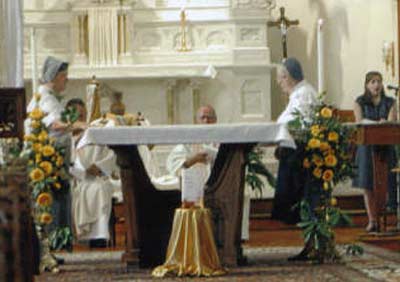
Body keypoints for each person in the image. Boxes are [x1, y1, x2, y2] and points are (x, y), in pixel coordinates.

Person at [26, 56, 86, 244]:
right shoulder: (46, 97)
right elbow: (55, 124)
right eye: (64, 76)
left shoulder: (47, 96)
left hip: (53, 159)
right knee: (53, 203)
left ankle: (54, 245)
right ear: (55, 77)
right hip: (49, 161)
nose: (67, 80)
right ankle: (53, 244)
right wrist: (81, 125)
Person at [271, 58, 318, 260]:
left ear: (288, 77)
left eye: (280, 78)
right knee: (300, 201)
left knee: (304, 200)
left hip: (302, 156)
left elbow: (298, 124)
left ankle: (313, 245)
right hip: (295, 154)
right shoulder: (297, 94)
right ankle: (310, 245)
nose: (279, 83)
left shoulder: (304, 94)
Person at [352, 71, 398, 233]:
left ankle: (388, 218)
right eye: (372, 82)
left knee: (388, 183)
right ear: (366, 84)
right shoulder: (359, 102)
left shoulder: (390, 102)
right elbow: (359, 122)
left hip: (385, 147)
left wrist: (386, 122)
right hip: (366, 147)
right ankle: (372, 220)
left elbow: (393, 122)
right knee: (368, 184)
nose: (376, 85)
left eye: (378, 81)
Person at [166, 105, 219, 207]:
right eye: (202, 117)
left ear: (215, 120)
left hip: (216, 188)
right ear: (196, 121)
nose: (206, 121)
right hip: (193, 189)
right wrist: (194, 159)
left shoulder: (222, 140)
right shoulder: (189, 141)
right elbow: (173, 164)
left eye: (209, 117)